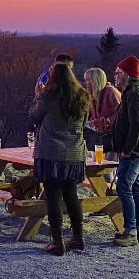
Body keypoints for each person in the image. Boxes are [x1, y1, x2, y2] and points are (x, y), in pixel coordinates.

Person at [29, 62, 90, 255]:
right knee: (71, 195)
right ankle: (78, 237)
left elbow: (33, 117)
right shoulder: (82, 97)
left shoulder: (48, 96)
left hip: (51, 153)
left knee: (53, 197)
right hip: (74, 153)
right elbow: (84, 122)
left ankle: (57, 241)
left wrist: (38, 95)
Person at [107, 55, 139, 247]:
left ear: (126, 74)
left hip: (134, 150)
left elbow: (137, 124)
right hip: (138, 148)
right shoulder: (133, 92)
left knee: (123, 187)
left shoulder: (134, 94)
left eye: (118, 73)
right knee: (135, 188)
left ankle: (130, 231)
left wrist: (127, 149)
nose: (115, 76)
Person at [84, 67, 121, 141]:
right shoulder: (92, 97)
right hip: (100, 137)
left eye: (87, 80)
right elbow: (89, 117)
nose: (85, 83)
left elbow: (119, 116)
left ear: (95, 81)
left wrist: (96, 123)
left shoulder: (111, 92)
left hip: (113, 138)